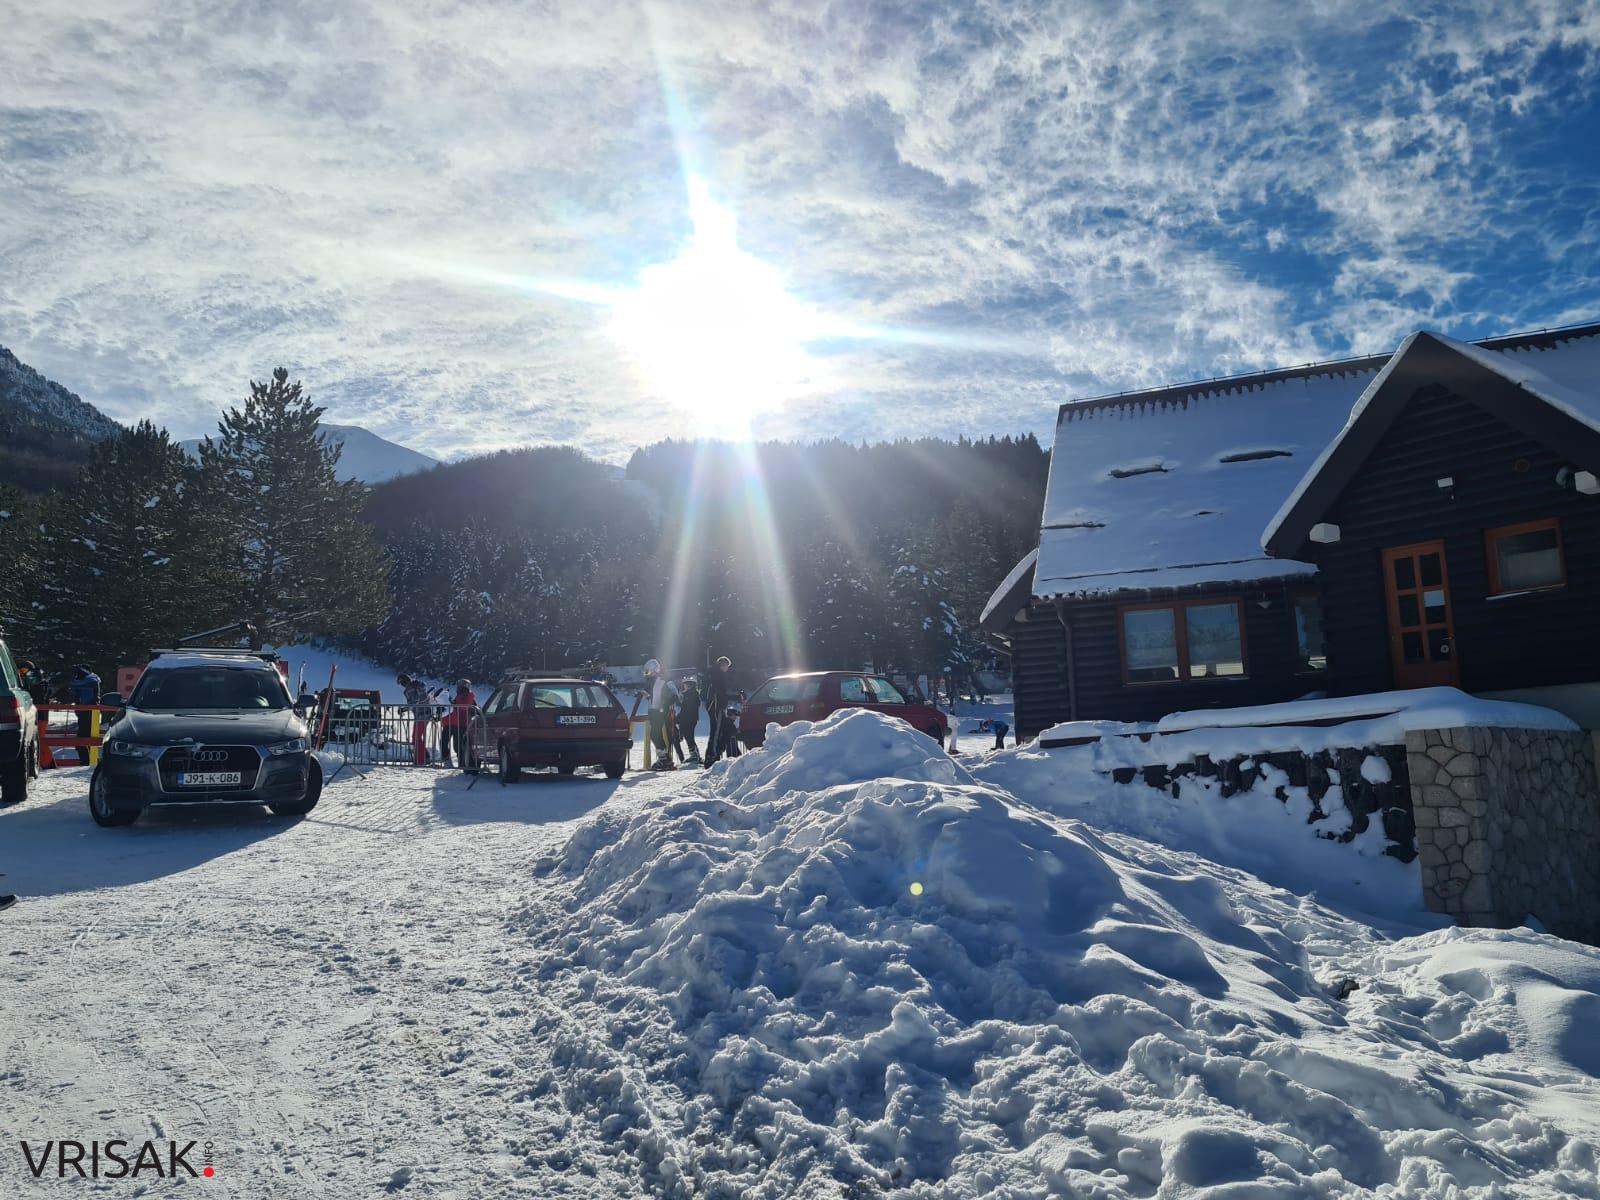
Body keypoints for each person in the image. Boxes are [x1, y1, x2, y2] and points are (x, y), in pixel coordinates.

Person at [642, 660, 675, 771]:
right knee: (656, 734)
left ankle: (664, 758)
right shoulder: (653, 682)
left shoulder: (662, 681)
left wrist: (663, 708)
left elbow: (668, 696)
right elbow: (654, 697)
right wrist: (646, 696)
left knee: (654, 734)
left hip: (659, 711)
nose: (648, 674)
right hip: (653, 710)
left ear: (655, 670)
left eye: (649, 672)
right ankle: (665, 758)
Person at [438, 679, 477, 768]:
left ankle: (462, 764)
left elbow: (466, 707)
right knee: (446, 742)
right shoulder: (460, 695)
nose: (459, 687)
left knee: (458, 745)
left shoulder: (468, 695)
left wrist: (454, 704)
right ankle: (451, 761)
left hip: (462, 723)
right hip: (453, 721)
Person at [703, 656, 733, 766]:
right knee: (716, 731)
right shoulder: (718, 676)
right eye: (727, 666)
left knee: (721, 730)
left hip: (713, 706)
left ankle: (713, 754)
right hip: (716, 707)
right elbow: (720, 693)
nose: (727, 669)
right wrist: (723, 705)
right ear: (723, 665)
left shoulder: (712, 674)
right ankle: (712, 756)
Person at [399, 674, 433, 765]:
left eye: (401, 683)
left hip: (421, 714)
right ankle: (425, 757)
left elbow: (415, 701)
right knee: (416, 737)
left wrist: (404, 709)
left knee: (416, 737)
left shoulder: (410, 688)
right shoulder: (418, 685)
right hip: (425, 713)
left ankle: (421, 760)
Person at [70, 665, 101, 741]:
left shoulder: (92, 680)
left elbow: (74, 684)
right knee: (83, 730)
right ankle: (82, 748)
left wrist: (74, 675)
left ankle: (84, 748)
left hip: (90, 709)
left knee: (87, 732)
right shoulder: (88, 679)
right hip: (83, 708)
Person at [678, 676, 702, 765]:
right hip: (689, 718)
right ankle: (695, 754)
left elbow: (688, 707)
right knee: (688, 735)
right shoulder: (688, 694)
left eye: (686, 685)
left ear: (690, 685)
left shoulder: (692, 694)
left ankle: (694, 755)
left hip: (689, 718)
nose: (685, 686)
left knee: (689, 735)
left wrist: (681, 716)